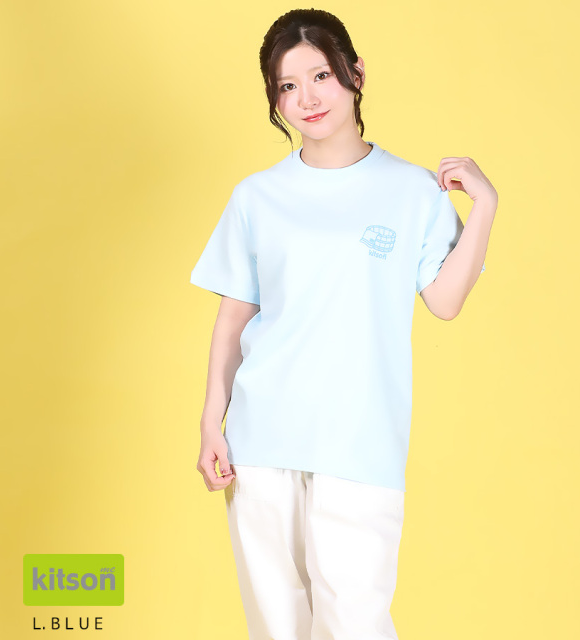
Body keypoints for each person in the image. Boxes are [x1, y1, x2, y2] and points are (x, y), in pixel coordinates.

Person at [191, 8, 497, 640]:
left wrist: (486, 207)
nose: (307, 98)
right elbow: (233, 319)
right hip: (261, 441)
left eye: (321, 75)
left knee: (355, 622)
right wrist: (211, 424)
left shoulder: (413, 190)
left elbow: (445, 301)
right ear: (275, 100)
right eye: (287, 85)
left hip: (359, 443)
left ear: (355, 73)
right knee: (276, 626)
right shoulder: (256, 197)